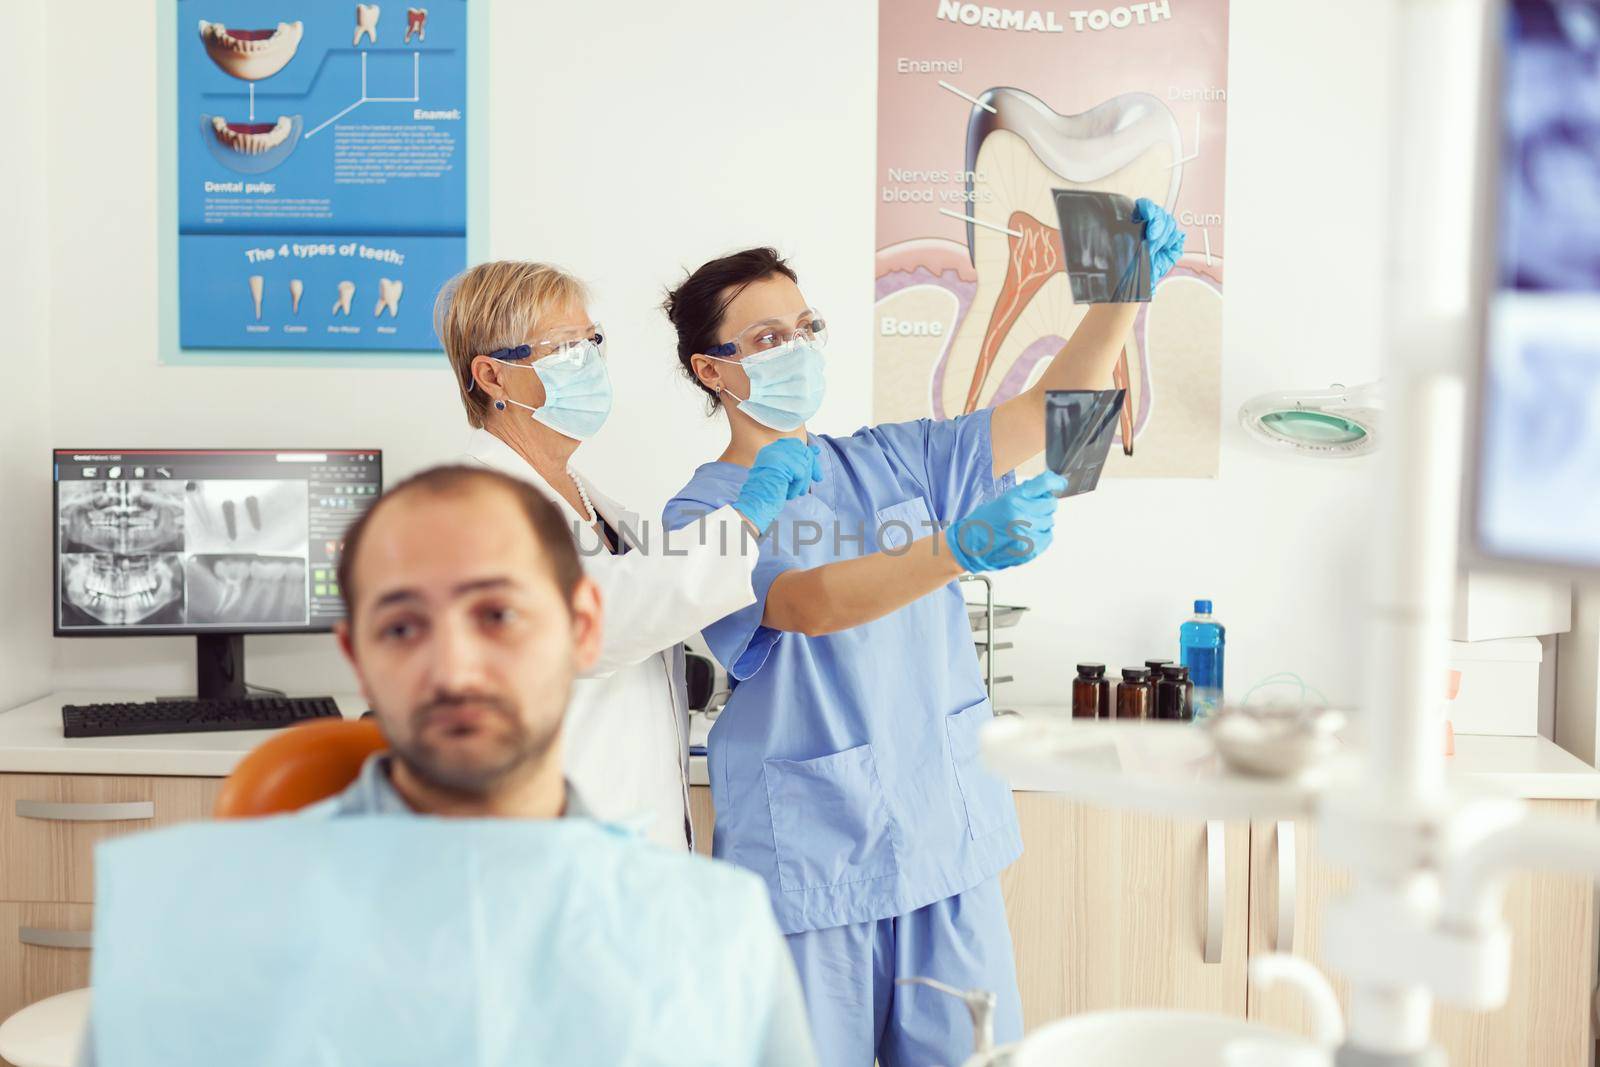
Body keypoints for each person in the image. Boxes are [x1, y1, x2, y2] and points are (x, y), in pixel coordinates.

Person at [660, 203, 1185, 1064]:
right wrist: (959, 547)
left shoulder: (896, 458)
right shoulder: (704, 516)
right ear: (710, 370)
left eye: (806, 326)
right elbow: (809, 606)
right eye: (765, 338)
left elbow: (1055, 413)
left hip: (944, 846)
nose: (796, 346)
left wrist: (1122, 295)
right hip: (809, 866)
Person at [80, 465, 817, 1067]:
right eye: (403, 626)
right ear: (357, 657)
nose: (455, 667)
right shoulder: (184, 928)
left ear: (584, 628)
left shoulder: (715, 935)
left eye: (496, 615)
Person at [433, 261, 820, 848]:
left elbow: (644, 606)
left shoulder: (596, 505)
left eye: (593, 341)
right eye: (565, 349)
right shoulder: (470, 508)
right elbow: (594, 626)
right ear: (492, 377)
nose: (589, 362)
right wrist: (746, 514)